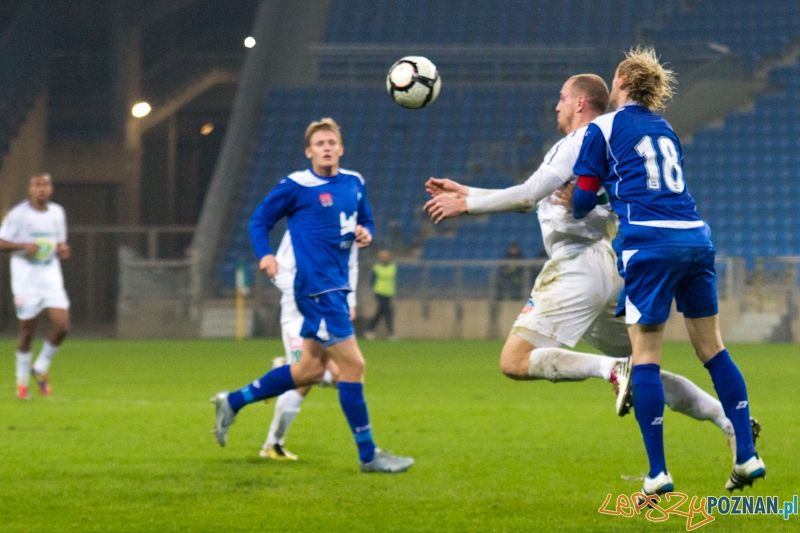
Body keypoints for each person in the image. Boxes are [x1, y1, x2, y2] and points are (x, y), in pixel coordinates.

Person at [423, 74, 752, 472]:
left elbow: (529, 196)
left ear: (580, 102)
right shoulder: (615, 138)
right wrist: (469, 192)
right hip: (613, 264)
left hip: (580, 263)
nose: (556, 105)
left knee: (514, 360)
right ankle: (731, 422)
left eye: (562, 98)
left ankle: (609, 372)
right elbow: (549, 191)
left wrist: (467, 206)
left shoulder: (583, 138)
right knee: (644, 369)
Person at [570, 47, 764, 495]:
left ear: (620, 80)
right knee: (713, 349)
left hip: (649, 243)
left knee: (646, 356)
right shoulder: (666, 127)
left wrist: (598, 196)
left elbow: (581, 202)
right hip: (696, 236)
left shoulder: (602, 127)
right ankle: (746, 456)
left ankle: (657, 472)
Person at [210, 117, 413, 473]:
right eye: (319, 143)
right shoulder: (296, 185)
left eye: (331, 142)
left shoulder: (354, 182)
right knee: (354, 366)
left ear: (341, 148)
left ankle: (233, 401)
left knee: (308, 370)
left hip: (336, 286)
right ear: (309, 151)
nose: (326, 148)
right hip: (316, 288)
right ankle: (368, 455)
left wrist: (366, 232)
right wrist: (266, 254)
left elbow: (366, 219)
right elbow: (259, 220)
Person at [259, 229, 356, 461]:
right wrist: (311, 294)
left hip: (330, 312)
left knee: (341, 377)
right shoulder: (299, 228)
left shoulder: (345, 223)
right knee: (304, 378)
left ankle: (283, 371)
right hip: (298, 315)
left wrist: (350, 301)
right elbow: (278, 270)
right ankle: (272, 444)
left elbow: (350, 265)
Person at [0, 173, 70, 400]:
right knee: (27, 330)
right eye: (37, 185)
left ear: (51, 189)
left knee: (62, 325)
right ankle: (22, 384)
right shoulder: (18, 215)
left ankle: (39, 367)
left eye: (46, 184)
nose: (41, 189)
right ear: (30, 190)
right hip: (25, 278)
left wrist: (62, 249)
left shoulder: (58, 212)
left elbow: (59, 243)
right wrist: (22, 246)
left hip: (50, 275)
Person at [364, 249, 396, 340]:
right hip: (379, 292)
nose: (385, 259)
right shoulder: (377, 268)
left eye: (386, 257)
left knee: (386, 312)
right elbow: (372, 281)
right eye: (383, 257)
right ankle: (389, 333)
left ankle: (371, 330)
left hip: (389, 292)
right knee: (383, 310)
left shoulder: (392, 267)